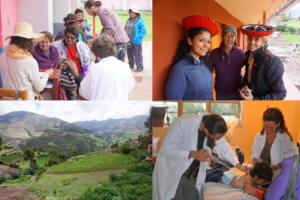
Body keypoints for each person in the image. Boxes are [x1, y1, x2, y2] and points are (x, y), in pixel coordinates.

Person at [153, 114, 246, 200]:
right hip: (174, 171)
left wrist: (238, 165)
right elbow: (166, 150)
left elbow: (224, 149)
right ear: (206, 130)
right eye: (215, 138)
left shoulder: (211, 127)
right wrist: (193, 154)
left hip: (191, 174)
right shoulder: (182, 123)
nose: (217, 140)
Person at [165, 15, 219, 100]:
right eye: (201, 40)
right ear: (190, 40)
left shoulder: (203, 64)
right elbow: (173, 103)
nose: (206, 45)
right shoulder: (180, 69)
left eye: (208, 41)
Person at [0, 22, 53, 100]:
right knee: (49, 96)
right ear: (28, 41)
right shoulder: (30, 61)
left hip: (7, 102)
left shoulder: (2, 55)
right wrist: (47, 74)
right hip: (26, 103)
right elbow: (39, 88)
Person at [79, 35, 135, 100]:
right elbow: (130, 86)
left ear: (95, 51)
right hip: (120, 107)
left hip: (100, 108)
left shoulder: (94, 69)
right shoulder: (124, 66)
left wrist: (82, 84)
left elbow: (85, 93)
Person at [239, 24, 286, 100]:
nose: (252, 42)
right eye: (250, 38)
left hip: (263, 107)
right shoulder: (249, 55)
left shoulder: (271, 61)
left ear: (263, 41)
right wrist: (246, 85)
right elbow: (248, 76)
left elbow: (280, 94)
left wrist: (254, 100)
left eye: (257, 39)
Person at [251, 107, 298, 179]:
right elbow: (255, 154)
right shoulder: (259, 136)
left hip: (279, 176)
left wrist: (274, 167)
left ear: (278, 123)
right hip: (262, 177)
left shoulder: (285, 138)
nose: (268, 130)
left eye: (271, 128)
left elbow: (293, 159)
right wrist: (256, 167)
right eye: (265, 127)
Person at [210, 25, 246, 100]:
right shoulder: (214, 53)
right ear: (223, 37)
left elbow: (249, 68)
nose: (229, 39)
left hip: (238, 91)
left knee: (237, 111)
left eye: (232, 36)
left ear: (235, 38)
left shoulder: (241, 53)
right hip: (221, 92)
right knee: (222, 111)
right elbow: (208, 71)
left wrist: (245, 84)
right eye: (227, 35)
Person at [52, 26, 92, 90]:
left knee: (85, 90)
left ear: (76, 38)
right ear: (64, 36)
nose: (69, 39)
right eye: (67, 37)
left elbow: (88, 62)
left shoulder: (83, 47)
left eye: (72, 38)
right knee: (71, 93)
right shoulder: (56, 45)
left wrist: (85, 77)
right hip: (66, 74)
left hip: (81, 74)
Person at [124, 6, 147, 72]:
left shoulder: (140, 20)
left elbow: (143, 30)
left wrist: (139, 37)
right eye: (130, 12)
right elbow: (125, 28)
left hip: (136, 41)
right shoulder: (128, 20)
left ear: (136, 13)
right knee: (129, 53)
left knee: (137, 54)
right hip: (128, 40)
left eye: (132, 12)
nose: (131, 13)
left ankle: (139, 67)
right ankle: (131, 65)